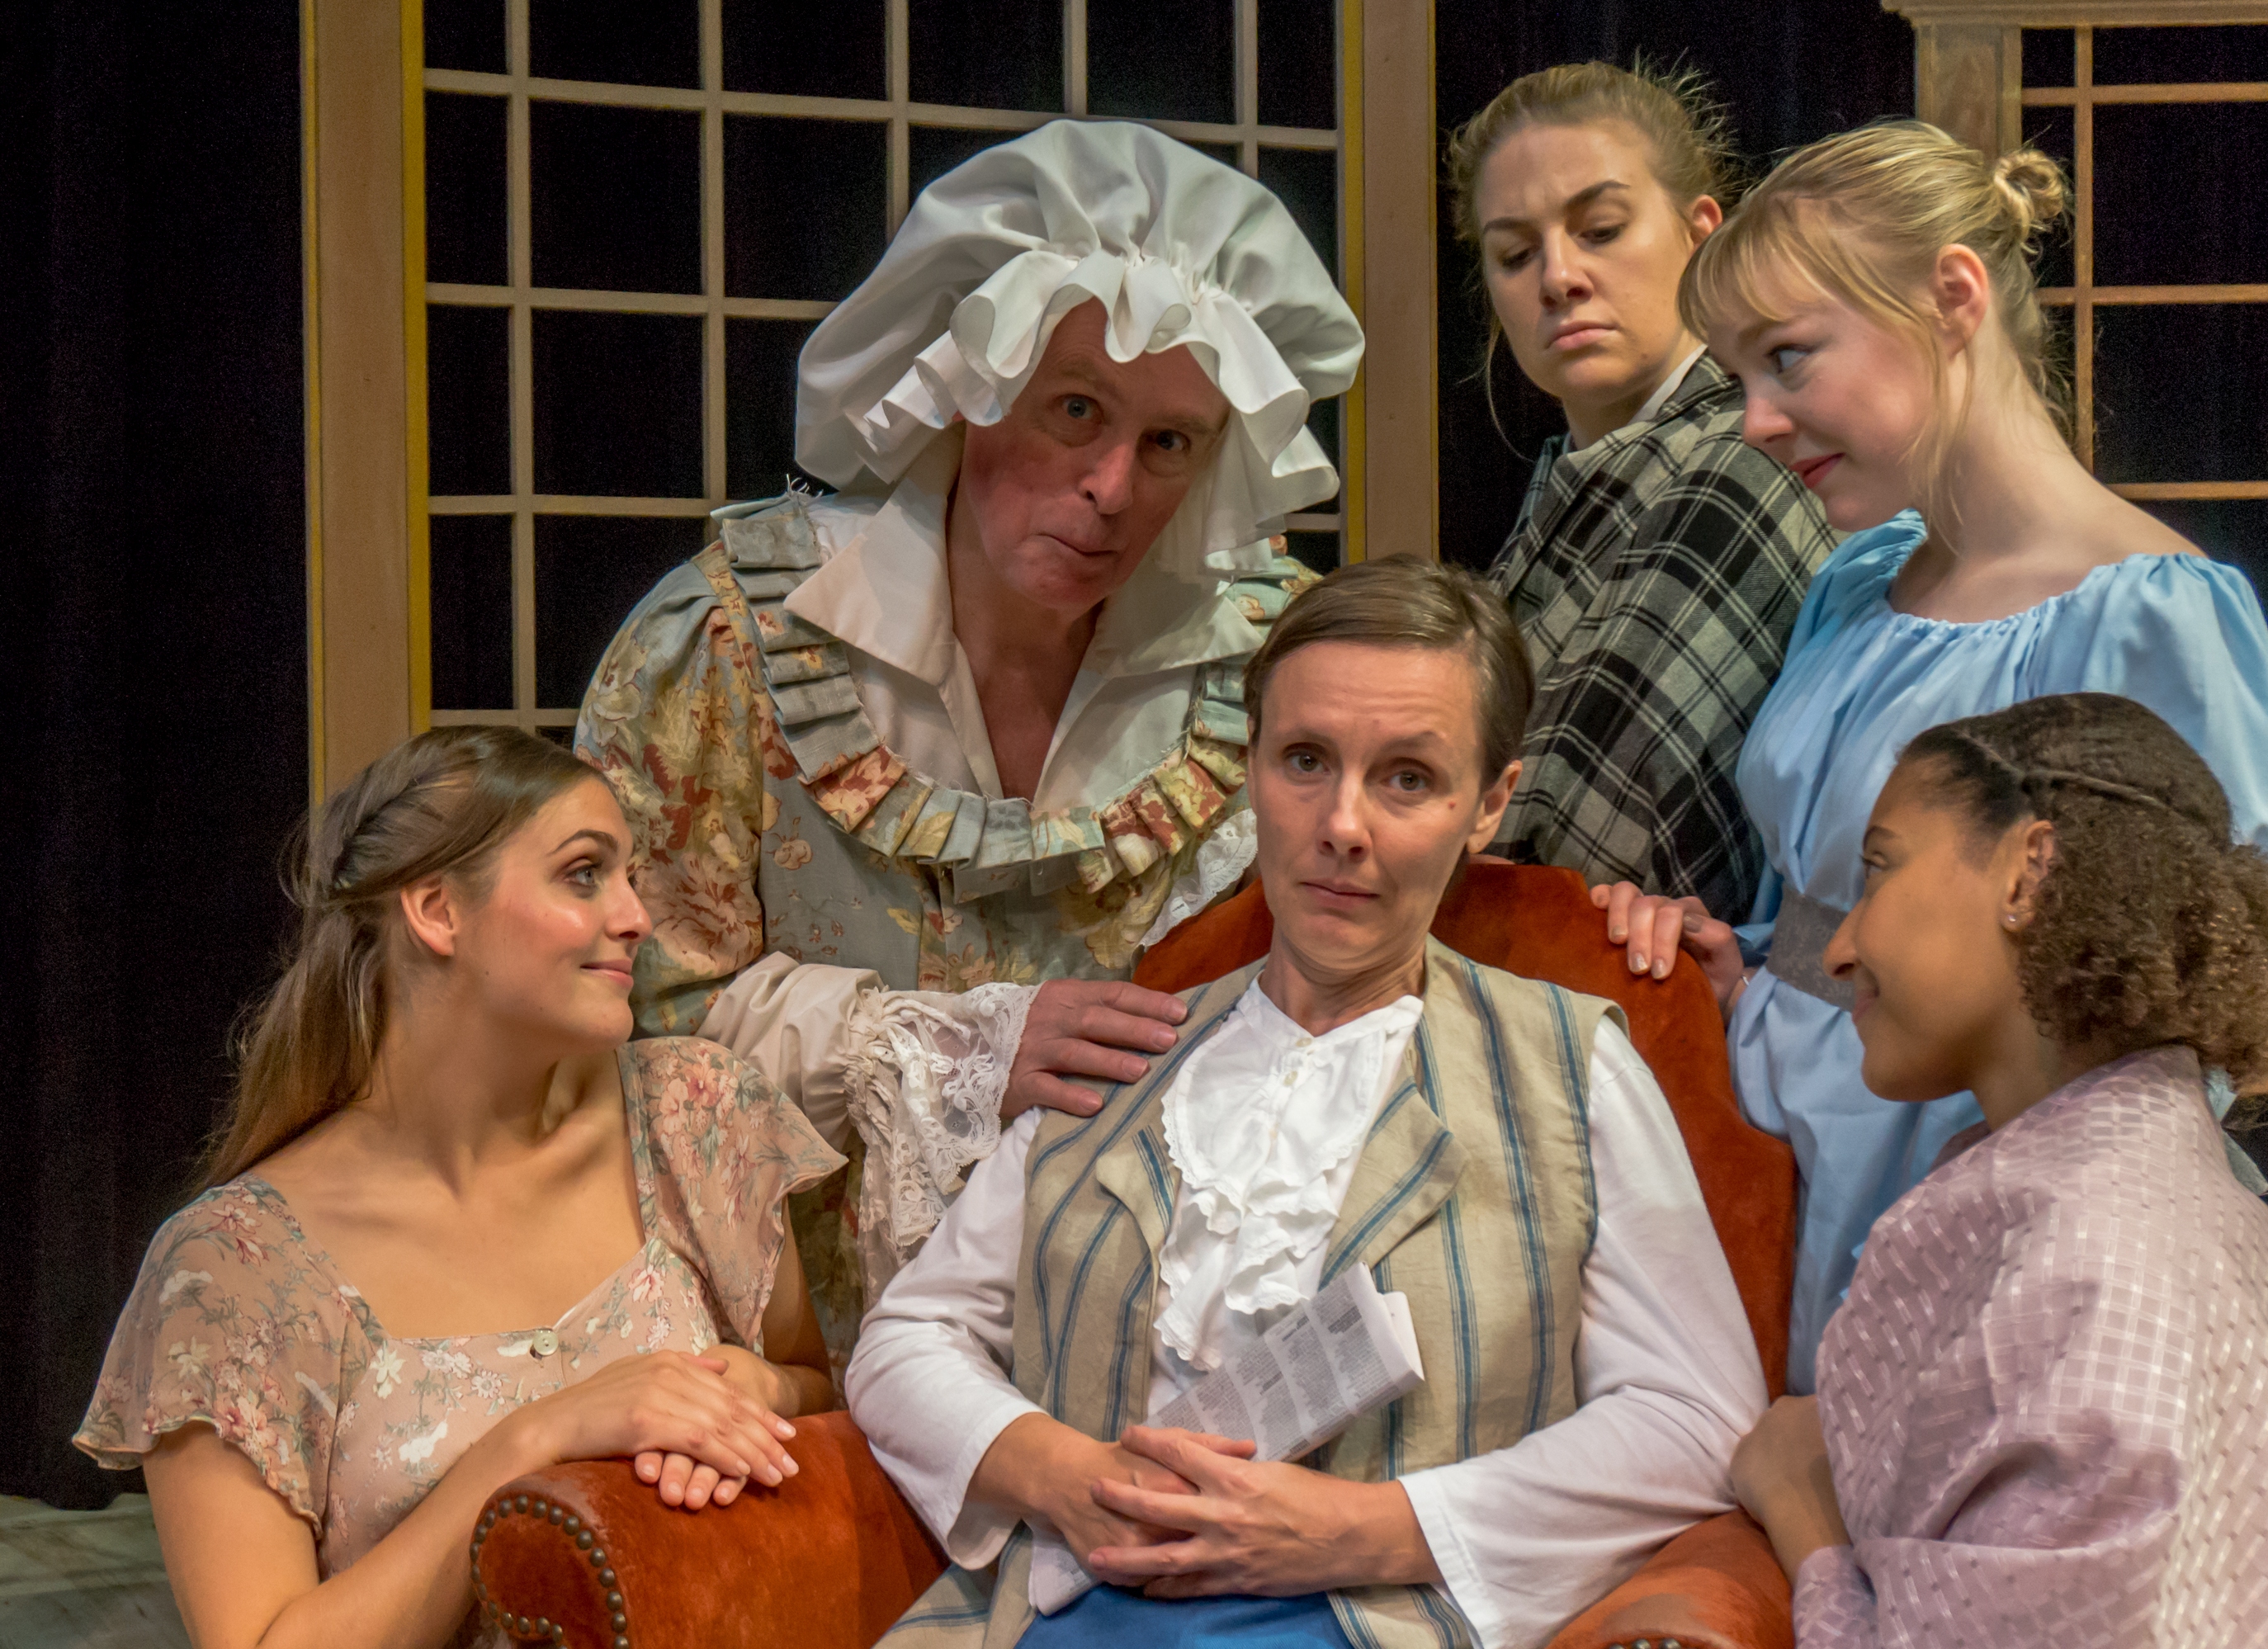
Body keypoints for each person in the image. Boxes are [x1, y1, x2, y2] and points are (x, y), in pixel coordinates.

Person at [847, 559, 1765, 1649]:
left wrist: (1374, 1526)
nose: (1343, 823)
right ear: (1250, 773)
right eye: (1305, 760)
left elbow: (1696, 1418)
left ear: (1490, 804)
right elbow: (909, 1333)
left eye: (1408, 777)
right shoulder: (1129, 1050)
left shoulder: (1571, 1070)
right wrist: (1066, 1475)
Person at [576, 121, 1366, 1358]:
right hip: (788, 1349)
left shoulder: (1268, 664)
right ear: (966, 390)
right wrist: (959, 1047)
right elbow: (625, 1013)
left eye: (1170, 442)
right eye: (1072, 409)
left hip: (1153, 1330)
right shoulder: (734, 646)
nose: (1112, 486)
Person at [1599, 121, 2268, 1391]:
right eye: (1739, 376)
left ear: (1951, 296)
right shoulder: (1856, 583)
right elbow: (1812, 906)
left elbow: (2184, 1015)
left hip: (1974, 1217)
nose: (1755, 420)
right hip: (1764, 1165)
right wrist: (1737, 967)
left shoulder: (2147, 614)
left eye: (1789, 358)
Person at [74, 727, 841, 1649]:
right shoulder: (233, 1273)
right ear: (438, 910)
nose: (638, 915)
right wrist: (536, 1441)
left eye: (629, 875)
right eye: (585, 873)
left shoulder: (697, 1119)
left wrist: (765, 1392)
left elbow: (824, 1396)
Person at [1722, 693, 2268, 1647]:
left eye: (1879, 869)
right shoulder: (2167, 1189)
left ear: (2027, 872)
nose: (1839, 948)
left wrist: (1805, 1515)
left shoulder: (2081, 1267)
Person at [1448, 62, 1837, 922]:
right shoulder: (1564, 490)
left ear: (1703, 233)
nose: (1558, 277)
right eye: (1514, 253)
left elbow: (1579, 863)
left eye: (1601, 228)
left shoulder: (1748, 459)